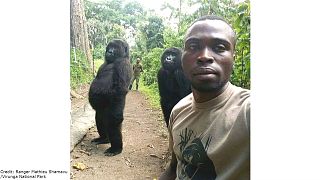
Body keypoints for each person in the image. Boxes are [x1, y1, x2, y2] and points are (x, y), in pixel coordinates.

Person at [159, 15, 250, 180]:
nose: (204, 56)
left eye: (220, 47)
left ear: (233, 58)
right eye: (193, 46)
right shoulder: (178, 110)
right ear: (184, 57)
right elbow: (174, 169)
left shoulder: (247, 110)